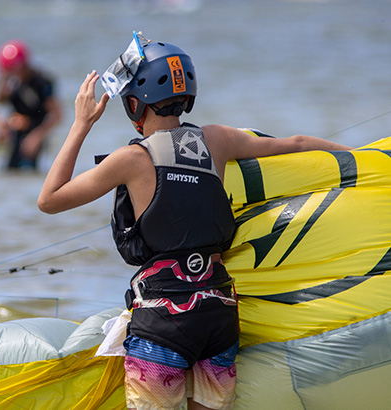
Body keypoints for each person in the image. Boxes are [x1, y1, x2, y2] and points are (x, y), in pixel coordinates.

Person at [38, 34, 353, 410]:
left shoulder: (131, 159)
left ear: (135, 103)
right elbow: (299, 143)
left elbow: (49, 200)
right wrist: (369, 157)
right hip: (219, 317)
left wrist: (81, 124)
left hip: (163, 322)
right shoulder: (217, 139)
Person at [0, 40, 62, 170]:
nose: (11, 73)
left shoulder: (41, 82)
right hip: (16, 136)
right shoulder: (13, 83)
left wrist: (36, 137)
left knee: (27, 170)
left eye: (12, 69)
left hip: (36, 133)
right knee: (10, 171)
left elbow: (57, 116)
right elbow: (0, 101)